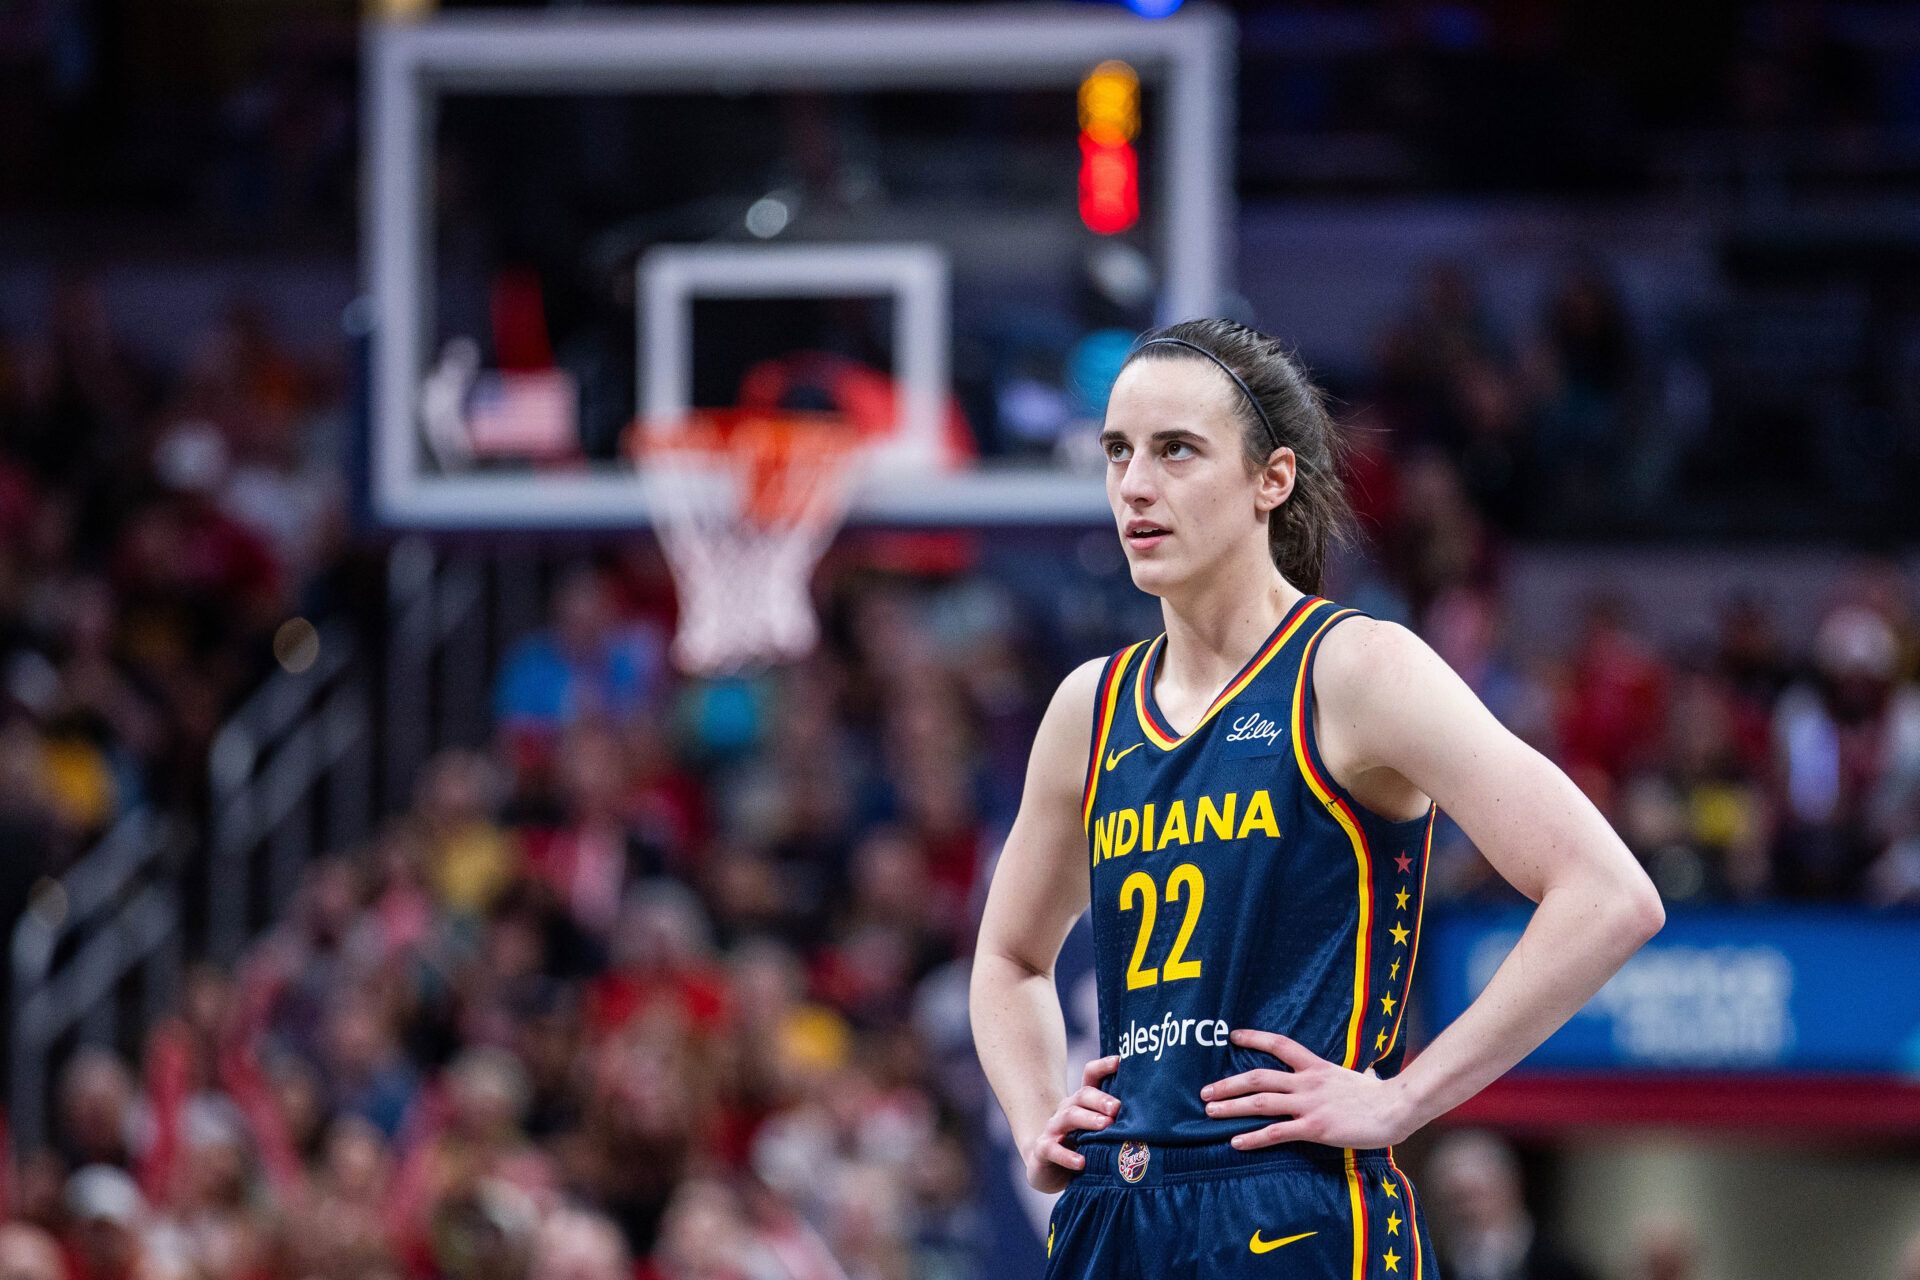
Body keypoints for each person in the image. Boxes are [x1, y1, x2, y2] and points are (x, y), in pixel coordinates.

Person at [969, 318, 1664, 1279]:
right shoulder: (1089, 707)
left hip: (1293, 1202)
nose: (1135, 484)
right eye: (1119, 451)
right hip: (1114, 1209)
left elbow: (1609, 896)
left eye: (1177, 450)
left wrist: (1404, 1097)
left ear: (1272, 479)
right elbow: (1008, 959)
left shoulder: (1354, 669)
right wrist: (1032, 1112)